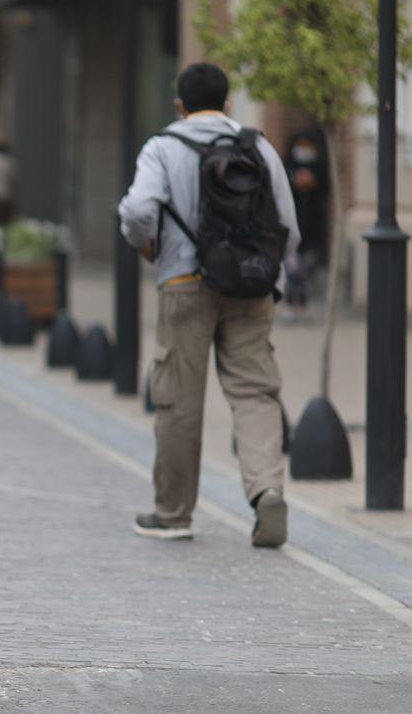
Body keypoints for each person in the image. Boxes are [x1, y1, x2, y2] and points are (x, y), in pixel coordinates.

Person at [117, 63, 300, 548]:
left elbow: (137, 210)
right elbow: (289, 226)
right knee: (255, 392)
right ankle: (266, 492)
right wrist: (268, 273)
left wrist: (147, 244)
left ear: (179, 104)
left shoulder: (163, 146)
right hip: (250, 288)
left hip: (184, 282)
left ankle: (173, 513)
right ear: (228, 103)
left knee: (178, 398)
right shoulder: (256, 145)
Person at [282, 128, 331, 317]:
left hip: (311, 226)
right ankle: (291, 302)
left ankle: (301, 302)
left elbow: (325, 190)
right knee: (292, 268)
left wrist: (313, 183)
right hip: (293, 225)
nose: (303, 150)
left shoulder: (319, 168)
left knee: (303, 270)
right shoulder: (288, 167)